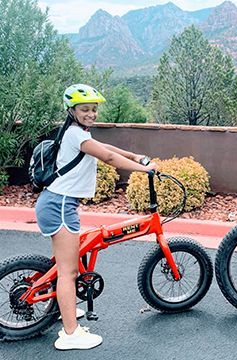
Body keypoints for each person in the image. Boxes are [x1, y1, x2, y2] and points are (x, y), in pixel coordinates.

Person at [35, 84, 157, 350]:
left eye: (93, 109)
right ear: (72, 110)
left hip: (59, 202)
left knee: (67, 265)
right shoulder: (74, 134)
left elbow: (105, 146)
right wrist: (145, 170)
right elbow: (109, 157)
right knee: (68, 272)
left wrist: (135, 155)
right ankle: (70, 334)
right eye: (84, 109)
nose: (91, 113)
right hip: (60, 204)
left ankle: (65, 310)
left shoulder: (77, 133)